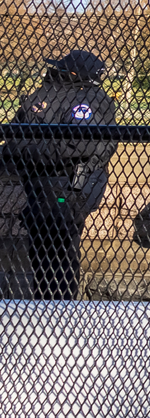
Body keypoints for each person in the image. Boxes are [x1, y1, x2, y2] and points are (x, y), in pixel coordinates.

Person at [4, 49, 117, 299]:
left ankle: (60, 311)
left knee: (61, 252)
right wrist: (19, 149)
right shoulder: (44, 92)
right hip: (39, 183)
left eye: (64, 69)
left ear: (76, 74)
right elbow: (13, 133)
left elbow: (78, 146)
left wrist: (26, 150)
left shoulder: (90, 100)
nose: (55, 71)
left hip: (68, 185)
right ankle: (45, 306)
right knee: (41, 252)